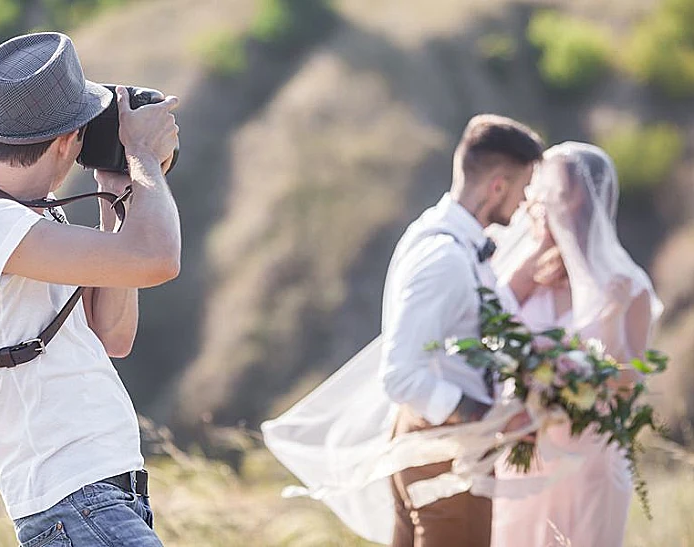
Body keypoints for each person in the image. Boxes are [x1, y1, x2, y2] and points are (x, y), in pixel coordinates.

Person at [0, 32, 180, 546]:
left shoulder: (34, 221)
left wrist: (117, 190)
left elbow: (112, 335)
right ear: (68, 139)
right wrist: (144, 157)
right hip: (72, 494)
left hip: (103, 490)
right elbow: (157, 258)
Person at [263, 114, 548, 547]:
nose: (526, 201)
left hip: (433, 443)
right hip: (442, 449)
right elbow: (400, 374)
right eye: (524, 187)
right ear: (497, 186)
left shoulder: (450, 241)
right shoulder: (444, 257)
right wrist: (485, 417)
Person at [489, 142, 664, 547]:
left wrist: (610, 320)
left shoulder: (627, 287)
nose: (537, 203)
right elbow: (491, 333)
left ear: (578, 199)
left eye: (550, 193)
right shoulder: (531, 271)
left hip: (591, 460)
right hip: (526, 455)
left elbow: (629, 389)